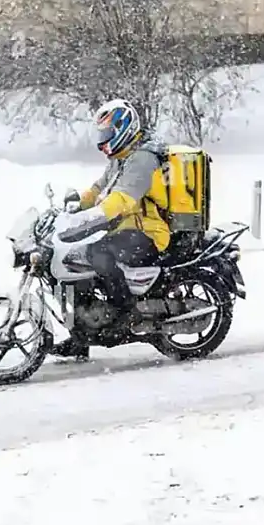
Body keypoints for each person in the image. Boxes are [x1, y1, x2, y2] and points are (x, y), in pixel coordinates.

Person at [50, 98, 171, 360]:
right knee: (75, 260)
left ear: (123, 129)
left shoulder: (143, 160)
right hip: (124, 226)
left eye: (107, 134)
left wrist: (93, 216)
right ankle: (81, 335)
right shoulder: (122, 156)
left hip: (149, 232)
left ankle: (125, 312)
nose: (102, 141)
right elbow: (99, 189)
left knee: (98, 253)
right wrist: (76, 205)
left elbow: (123, 199)